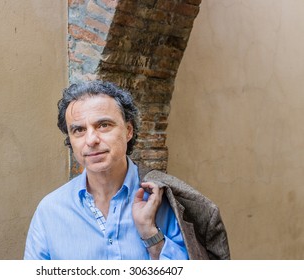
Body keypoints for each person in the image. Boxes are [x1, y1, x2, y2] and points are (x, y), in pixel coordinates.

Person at [24, 80, 230, 260]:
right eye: (78, 130)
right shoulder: (50, 211)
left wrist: (151, 235)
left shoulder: (171, 205)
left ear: (128, 131)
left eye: (104, 125)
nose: (91, 140)